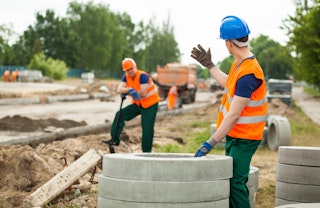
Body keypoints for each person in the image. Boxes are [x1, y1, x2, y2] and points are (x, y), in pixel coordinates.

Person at [191, 15, 268, 208]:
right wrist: (210, 65)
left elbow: (233, 115)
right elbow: (229, 83)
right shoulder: (240, 65)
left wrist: (211, 142)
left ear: (228, 43)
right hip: (235, 136)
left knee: (235, 183)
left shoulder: (249, 74)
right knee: (231, 181)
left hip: (245, 139)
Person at [103, 58, 160, 152]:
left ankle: (146, 153)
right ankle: (114, 140)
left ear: (135, 67)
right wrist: (129, 90)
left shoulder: (143, 76)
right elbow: (119, 89)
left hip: (150, 105)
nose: (130, 71)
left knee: (147, 129)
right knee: (119, 115)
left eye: (131, 69)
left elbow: (143, 93)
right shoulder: (126, 77)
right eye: (127, 70)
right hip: (138, 104)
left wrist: (128, 90)